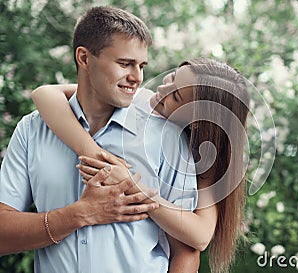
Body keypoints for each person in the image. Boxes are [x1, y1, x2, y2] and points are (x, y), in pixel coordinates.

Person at [0, 6, 199, 273]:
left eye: (141, 66)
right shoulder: (32, 130)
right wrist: (77, 215)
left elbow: (186, 251)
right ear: (84, 57)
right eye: (124, 63)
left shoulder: (168, 138)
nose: (137, 78)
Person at [31, 57, 251, 273]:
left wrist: (133, 187)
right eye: (172, 77)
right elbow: (45, 94)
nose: (163, 89)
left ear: (197, 122)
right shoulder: (139, 99)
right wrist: (99, 159)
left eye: (175, 96)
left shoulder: (203, 158)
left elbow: (200, 236)